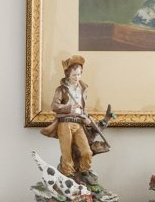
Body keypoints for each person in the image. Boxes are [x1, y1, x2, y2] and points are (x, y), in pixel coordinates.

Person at [47, 54, 111, 186]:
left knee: (86, 151)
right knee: (67, 153)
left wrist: (86, 118)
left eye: (79, 74)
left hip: (79, 123)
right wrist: (69, 107)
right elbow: (54, 106)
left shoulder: (82, 89)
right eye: (74, 75)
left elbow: (83, 108)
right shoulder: (62, 90)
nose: (77, 77)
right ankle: (68, 176)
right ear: (68, 75)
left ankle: (84, 170)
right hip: (65, 123)